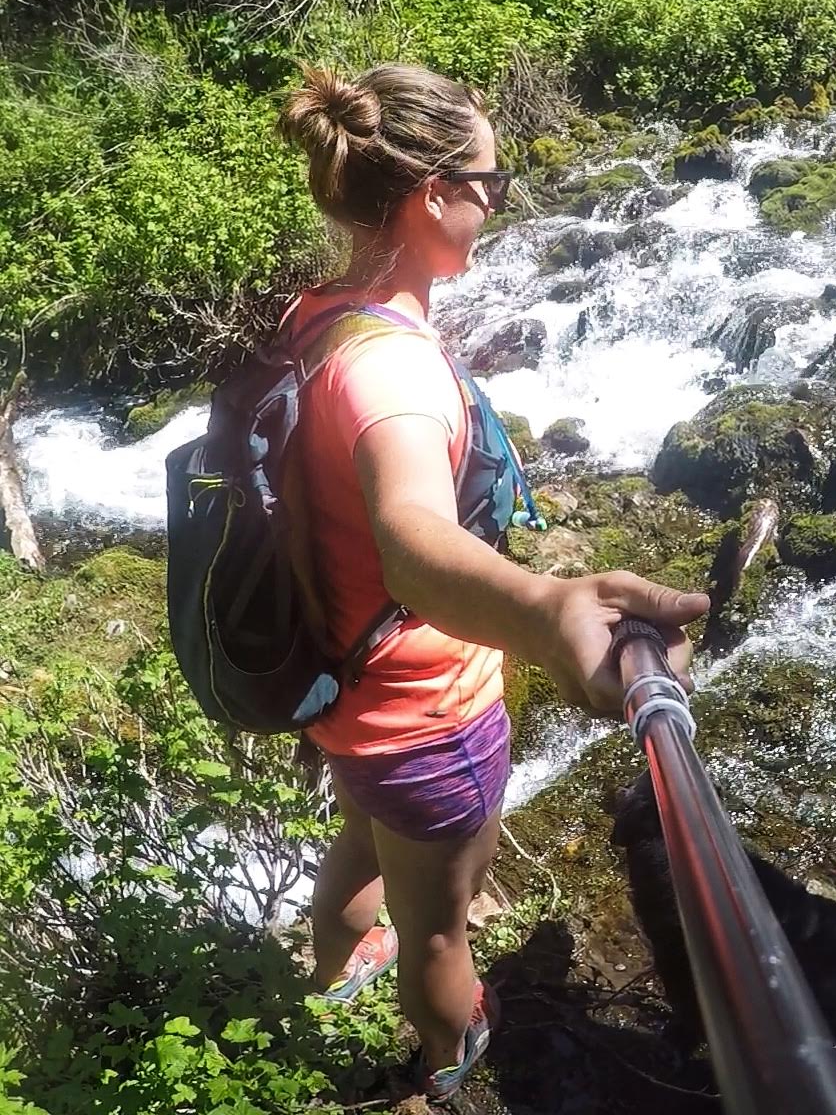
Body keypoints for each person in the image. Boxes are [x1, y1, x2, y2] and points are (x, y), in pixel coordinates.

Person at [275, 64, 704, 1099]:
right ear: (432, 196)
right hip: (424, 711)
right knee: (439, 928)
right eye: (492, 185)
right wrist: (551, 609)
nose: (496, 205)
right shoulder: (396, 371)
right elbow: (413, 537)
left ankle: (331, 972)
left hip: (344, 687)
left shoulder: (322, 312)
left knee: (365, 837)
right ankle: (447, 1056)